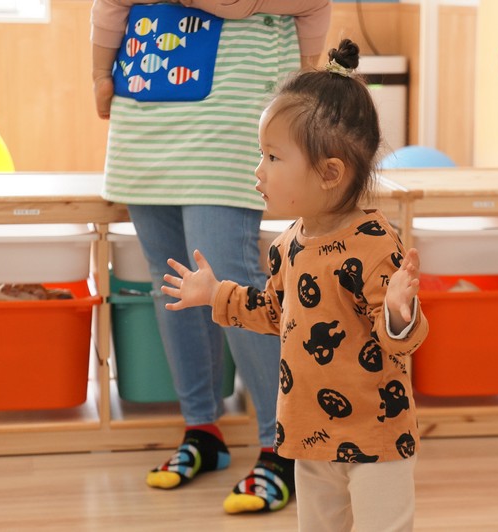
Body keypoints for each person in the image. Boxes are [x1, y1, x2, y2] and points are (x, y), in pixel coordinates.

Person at [160, 39, 430, 532]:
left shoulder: (375, 244)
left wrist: (397, 311)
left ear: (329, 173)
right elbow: (275, 312)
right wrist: (216, 294)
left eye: (273, 157)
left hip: (377, 435)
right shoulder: (288, 245)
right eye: (261, 155)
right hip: (310, 431)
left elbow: (402, 342)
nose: (259, 171)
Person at [90, 0, 331, 516]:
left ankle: (283, 445)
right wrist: (99, 73)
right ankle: (202, 429)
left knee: (228, 273)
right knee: (170, 279)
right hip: (146, 97)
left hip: (232, 109)